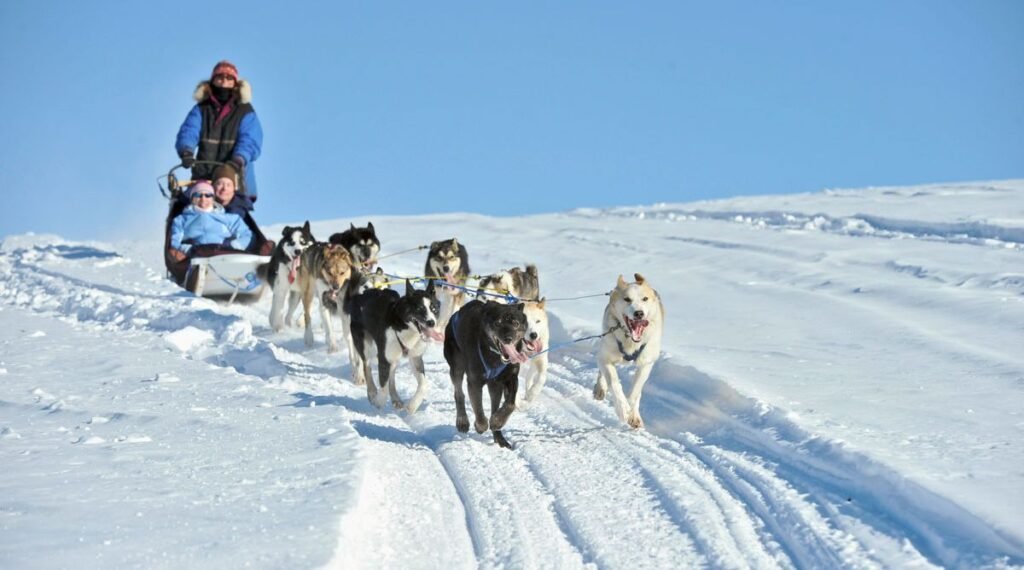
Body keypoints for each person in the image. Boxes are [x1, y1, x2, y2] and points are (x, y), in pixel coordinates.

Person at [175, 60, 263, 202]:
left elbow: (250, 140)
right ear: (213, 81)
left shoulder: (245, 111)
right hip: (204, 178)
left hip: (235, 179)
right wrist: (187, 151)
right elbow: (189, 130)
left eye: (229, 79)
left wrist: (238, 160)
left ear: (235, 84)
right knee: (186, 213)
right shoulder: (202, 109)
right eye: (220, 78)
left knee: (235, 217)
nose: (223, 82)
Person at [169, 181, 253, 262]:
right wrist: (187, 249)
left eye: (208, 195)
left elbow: (246, 235)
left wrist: (233, 246)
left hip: (224, 255)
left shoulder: (229, 218)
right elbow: (174, 242)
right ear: (192, 199)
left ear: (213, 199)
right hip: (195, 257)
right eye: (198, 195)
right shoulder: (181, 220)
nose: (203, 199)